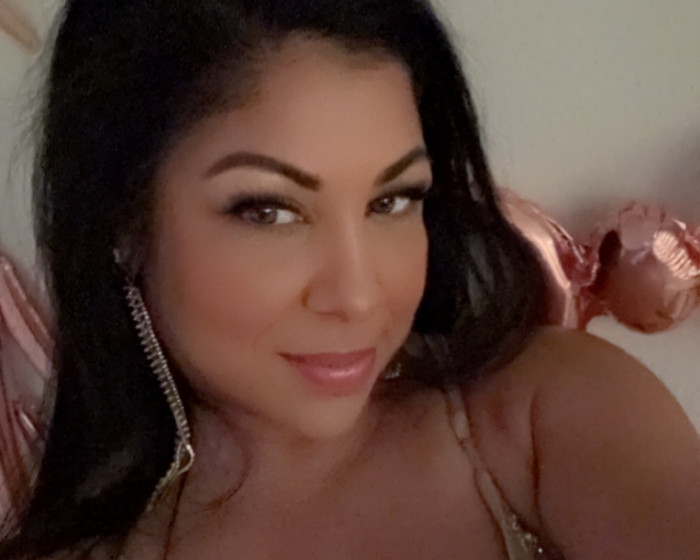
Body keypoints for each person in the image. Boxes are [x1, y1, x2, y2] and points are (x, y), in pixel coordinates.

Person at [1, 0, 699, 558]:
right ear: (125, 221)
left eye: (392, 201)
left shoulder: (547, 416)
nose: (360, 296)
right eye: (269, 211)